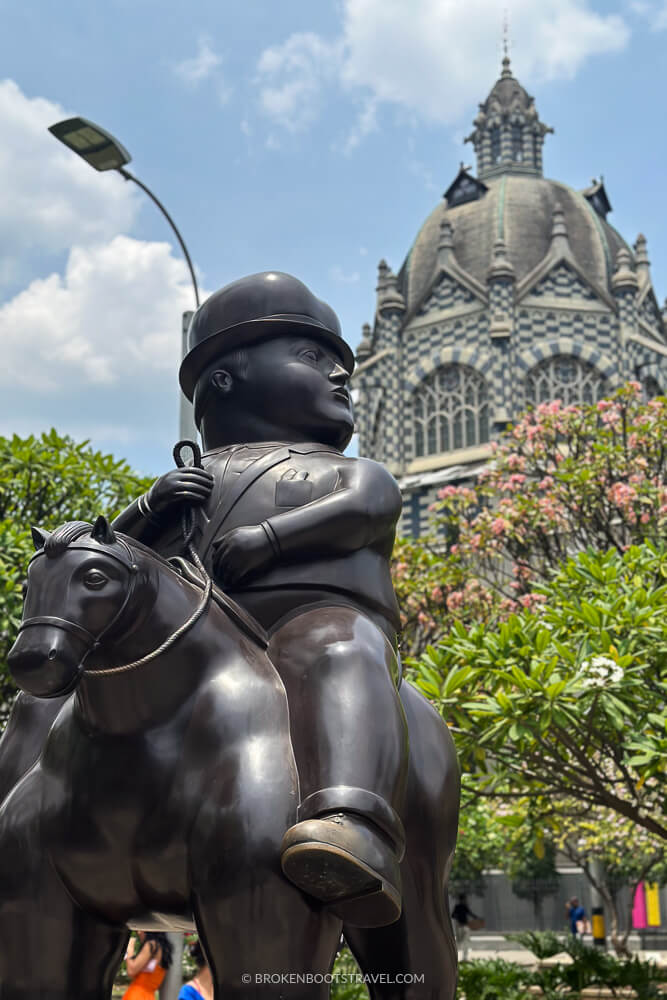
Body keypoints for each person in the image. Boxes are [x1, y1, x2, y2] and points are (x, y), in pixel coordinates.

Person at [113, 271, 409, 928]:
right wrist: (146, 510)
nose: (339, 377)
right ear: (223, 379)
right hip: (199, 644)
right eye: (312, 358)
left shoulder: (346, 471)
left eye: (339, 364)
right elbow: (105, 563)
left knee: (338, 646)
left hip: (304, 622)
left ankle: (351, 818)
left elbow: (370, 504)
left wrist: (271, 539)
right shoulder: (184, 482)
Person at [123, 931, 173, 999]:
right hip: (149, 996)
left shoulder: (151, 945)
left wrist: (130, 949)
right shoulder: (162, 948)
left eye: (140, 929)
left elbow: (131, 971)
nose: (139, 933)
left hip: (137, 995)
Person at [451, 893, 479, 962]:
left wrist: (458, 919)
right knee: (464, 942)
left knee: (460, 942)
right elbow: (470, 914)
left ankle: (457, 957)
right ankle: (464, 958)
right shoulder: (463, 906)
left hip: (460, 927)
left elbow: (453, 915)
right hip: (464, 926)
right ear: (463, 899)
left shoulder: (457, 907)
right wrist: (477, 918)